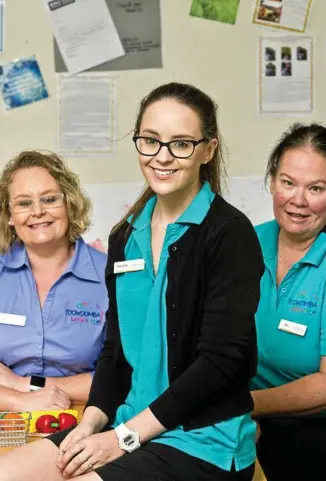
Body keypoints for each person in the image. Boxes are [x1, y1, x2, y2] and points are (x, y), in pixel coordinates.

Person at [1, 82, 264, 481]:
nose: (163, 157)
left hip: (200, 441)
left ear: (208, 150)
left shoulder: (229, 233)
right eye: (151, 141)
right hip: (125, 423)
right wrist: (90, 423)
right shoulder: (126, 237)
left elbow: (219, 365)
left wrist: (121, 439)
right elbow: (114, 352)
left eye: (181, 144)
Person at [0, 150, 108, 411]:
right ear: (10, 216)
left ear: (69, 204)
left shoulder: (110, 276)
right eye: (24, 203)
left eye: (49, 199)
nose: (37, 211)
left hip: (88, 416)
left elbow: (124, 375)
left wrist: (28, 383)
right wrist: (20, 398)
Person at [251, 123, 326, 481]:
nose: (298, 200)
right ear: (271, 181)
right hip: (239, 418)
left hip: (312, 432)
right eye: (288, 182)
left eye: (316, 188)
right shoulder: (244, 243)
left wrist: (248, 407)